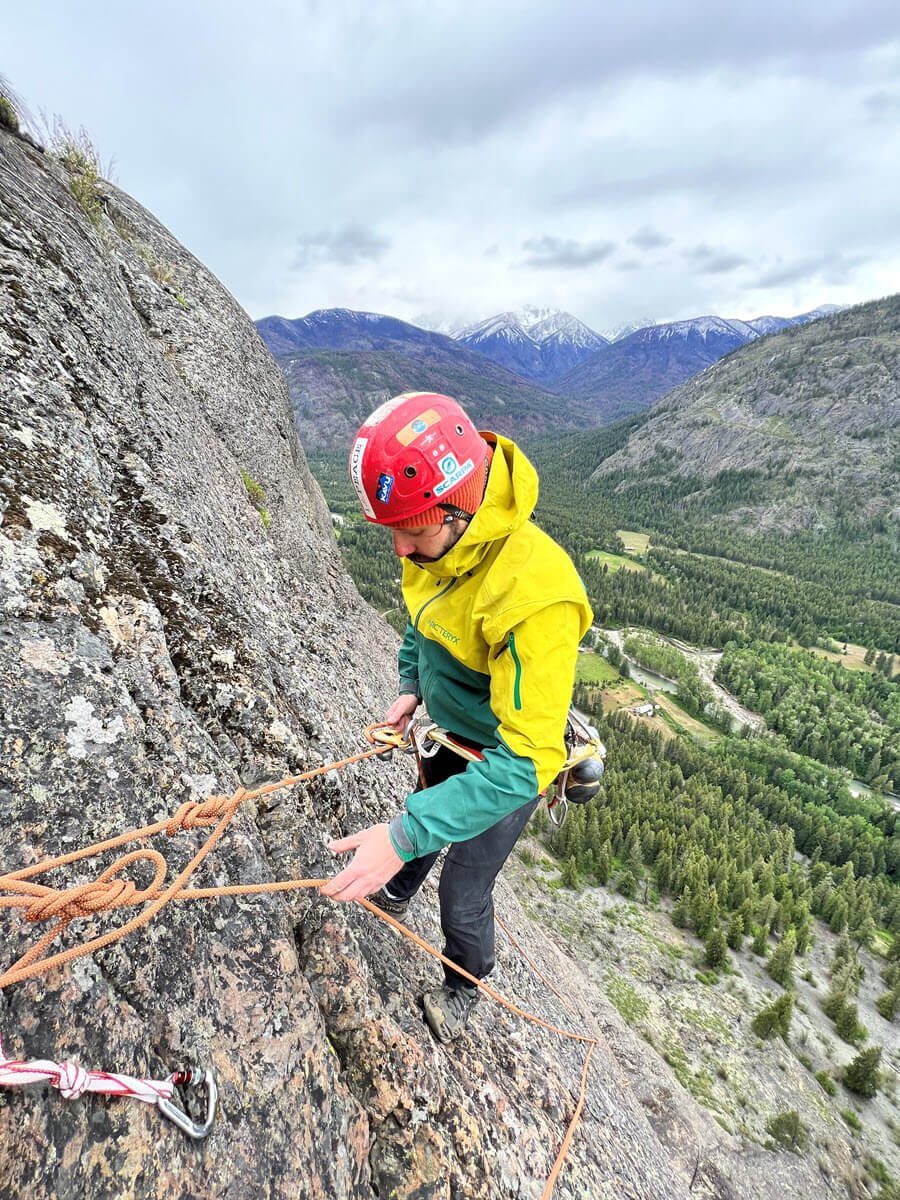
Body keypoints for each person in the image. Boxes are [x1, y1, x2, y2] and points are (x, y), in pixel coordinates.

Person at [321, 392, 592, 1041]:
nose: (400, 550)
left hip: (506, 763)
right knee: (425, 806)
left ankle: (465, 986)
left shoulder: (536, 595)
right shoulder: (439, 547)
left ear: (457, 508)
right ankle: (396, 887)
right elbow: (427, 619)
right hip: (452, 733)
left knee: (464, 891)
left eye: (413, 533)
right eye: (393, 531)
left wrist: (402, 835)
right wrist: (412, 685)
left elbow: (526, 762)